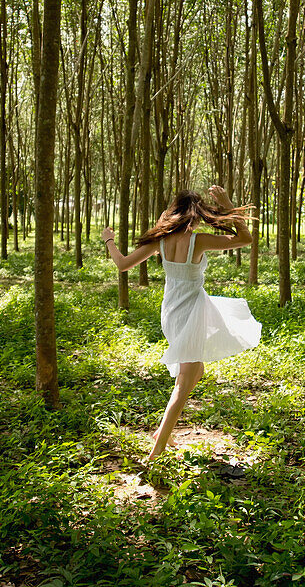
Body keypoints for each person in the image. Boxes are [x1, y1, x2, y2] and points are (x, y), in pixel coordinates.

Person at [101, 186, 261, 460]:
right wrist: (227, 204)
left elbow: (123, 264)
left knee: (195, 372)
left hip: (171, 314)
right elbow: (245, 239)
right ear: (196, 215)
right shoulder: (198, 241)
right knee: (184, 383)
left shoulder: (160, 241)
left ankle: (162, 432)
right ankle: (157, 450)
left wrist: (109, 241)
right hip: (191, 315)